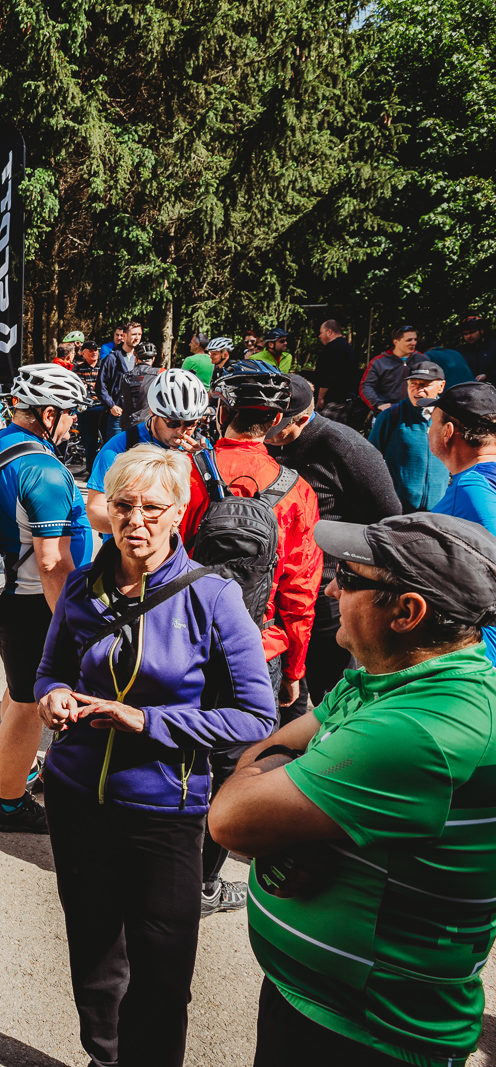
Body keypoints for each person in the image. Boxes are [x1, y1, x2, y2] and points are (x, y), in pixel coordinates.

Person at [208, 512, 496, 1067]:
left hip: (368, 1033)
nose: (331, 589)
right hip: (319, 1004)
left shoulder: (417, 728)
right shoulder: (383, 679)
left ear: (407, 612)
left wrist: (279, 776)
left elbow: (231, 819)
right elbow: (268, 751)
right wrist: (282, 770)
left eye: (349, 577)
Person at [37, 445, 277, 1067]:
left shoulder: (213, 597)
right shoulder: (83, 586)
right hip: (76, 796)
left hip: (165, 808)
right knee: (93, 951)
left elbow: (257, 716)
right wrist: (52, 696)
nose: (135, 521)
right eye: (123, 506)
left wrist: (147, 720)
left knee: (163, 973)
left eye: (151, 508)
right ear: (107, 510)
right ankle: (103, 1056)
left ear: (178, 513)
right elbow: (49, 670)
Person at [182, 360, 321, 915]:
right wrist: (294, 672)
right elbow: (300, 592)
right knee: (232, 768)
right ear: (278, 419)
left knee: (166, 747)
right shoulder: (296, 491)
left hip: (181, 641)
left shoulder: (186, 471)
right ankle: (203, 884)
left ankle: (150, 864)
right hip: (256, 649)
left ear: (221, 409)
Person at [0, 363, 95, 833]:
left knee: (18, 688)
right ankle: (10, 806)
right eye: (70, 413)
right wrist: (74, 623)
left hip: (2, 593)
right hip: (31, 602)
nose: (75, 421)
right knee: (30, 703)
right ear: (49, 414)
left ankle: (20, 769)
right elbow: (51, 562)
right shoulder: (43, 470)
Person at [264, 375, 402, 711]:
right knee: (286, 686)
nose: (269, 434)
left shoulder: (345, 446)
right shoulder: (267, 441)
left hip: (329, 587)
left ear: (302, 419)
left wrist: (354, 575)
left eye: (278, 428)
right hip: (277, 585)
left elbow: (387, 517)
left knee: (330, 686)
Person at [85, 368, 211, 537]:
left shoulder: (201, 449)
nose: (182, 431)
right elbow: (94, 510)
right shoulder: (120, 448)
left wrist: (201, 465)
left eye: (190, 424)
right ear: (152, 412)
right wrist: (136, 524)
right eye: (173, 423)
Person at [426, 380, 496, 663]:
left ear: (448, 432)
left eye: (432, 423)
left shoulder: (470, 490)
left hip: (481, 658)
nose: (428, 431)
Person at [368, 361, 448, 509]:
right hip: (398, 509)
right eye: (413, 384)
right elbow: (370, 461)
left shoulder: (450, 418)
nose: (418, 389)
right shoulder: (391, 416)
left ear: (441, 386)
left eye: (425, 384)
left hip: (440, 510)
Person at [359, 325, 424, 413]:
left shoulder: (422, 359)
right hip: (388, 411)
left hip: (416, 411)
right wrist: (378, 404)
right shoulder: (379, 362)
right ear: (396, 342)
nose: (414, 343)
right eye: (409, 340)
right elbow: (366, 386)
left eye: (415, 339)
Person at [97, 322, 141, 440]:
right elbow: (100, 386)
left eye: (139, 334)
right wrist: (111, 405)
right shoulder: (112, 358)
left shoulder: (141, 359)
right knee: (115, 449)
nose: (137, 338)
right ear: (124, 336)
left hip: (137, 416)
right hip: (117, 415)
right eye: (134, 334)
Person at [310, 319, 359, 412]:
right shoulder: (347, 347)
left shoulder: (332, 349)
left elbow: (327, 376)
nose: (320, 336)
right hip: (346, 399)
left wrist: (320, 397)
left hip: (332, 401)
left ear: (329, 332)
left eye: (321, 333)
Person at [72, 338, 105, 466]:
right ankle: (90, 469)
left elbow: (107, 386)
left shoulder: (104, 366)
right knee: (89, 443)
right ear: (83, 353)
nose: (94, 352)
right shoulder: (77, 369)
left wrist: (90, 386)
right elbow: (78, 388)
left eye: (95, 350)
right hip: (86, 409)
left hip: (103, 407)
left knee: (107, 441)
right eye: (90, 350)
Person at [118, 341, 161, 430]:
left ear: (136, 358)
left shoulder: (126, 376)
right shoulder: (159, 375)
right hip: (149, 424)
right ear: (153, 359)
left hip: (128, 423)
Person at [458, 314, 492, 381]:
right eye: (465, 334)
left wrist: (487, 375)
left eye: (472, 332)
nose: (469, 336)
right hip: (468, 386)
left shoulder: (492, 347)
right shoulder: (460, 351)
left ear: (481, 330)